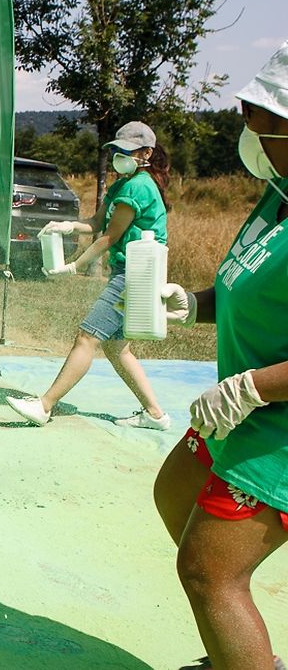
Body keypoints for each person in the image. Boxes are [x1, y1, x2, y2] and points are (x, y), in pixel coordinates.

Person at [152, 41, 288, 670]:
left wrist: (252, 387)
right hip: (239, 416)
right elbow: (251, 287)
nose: (248, 125)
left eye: (263, 115)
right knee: (173, 494)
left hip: (275, 434)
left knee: (209, 574)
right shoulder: (278, 192)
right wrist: (195, 302)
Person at [6, 120, 172, 430]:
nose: (118, 156)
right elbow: (96, 223)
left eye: (126, 151)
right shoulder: (123, 184)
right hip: (128, 272)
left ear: (146, 153)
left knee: (87, 337)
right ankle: (154, 414)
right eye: (116, 150)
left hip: (136, 274)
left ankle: (45, 405)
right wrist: (67, 226)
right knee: (115, 346)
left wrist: (74, 266)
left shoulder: (138, 185)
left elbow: (109, 237)